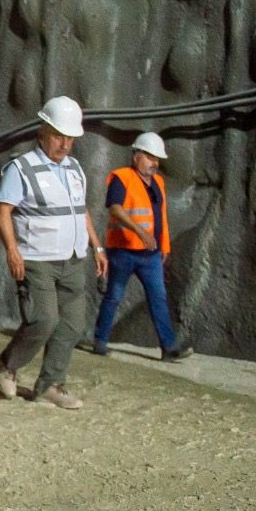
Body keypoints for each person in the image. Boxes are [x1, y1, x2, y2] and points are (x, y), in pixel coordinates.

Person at [0, 96, 109, 409]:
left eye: (70, 137)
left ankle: (50, 385)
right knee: (43, 318)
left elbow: (80, 210)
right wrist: (12, 251)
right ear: (42, 132)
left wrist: (96, 245)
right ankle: (8, 364)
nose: (65, 144)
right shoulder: (21, 168)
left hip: (72, 258)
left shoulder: (74, 169)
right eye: (59, 136)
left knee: (72, 323)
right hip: (36, 258)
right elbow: (3, 212)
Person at [92, 132, 193, 361]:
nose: (154, 163)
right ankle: (100, 340)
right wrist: (140, 231)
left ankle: (169, 348)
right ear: (136, 155)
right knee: (114, 296)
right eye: (150, 156)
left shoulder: (158, 182)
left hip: (151, 255)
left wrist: (164, 246)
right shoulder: (122, 177)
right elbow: (115, 209)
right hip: (123, 252)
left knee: (158, 298)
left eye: (157, 159)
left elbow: (161, 217)